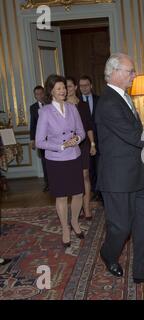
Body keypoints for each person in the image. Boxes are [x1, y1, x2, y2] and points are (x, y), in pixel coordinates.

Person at [95, 53, 144, 288]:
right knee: (121, 226)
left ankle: (142, 272)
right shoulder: (107, 102)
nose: (134, 75)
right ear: (114, 72)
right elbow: (134, 136)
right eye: (130, 71)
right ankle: (108, 253)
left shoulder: (125, 97)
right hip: (117, 178)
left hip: (138, 173)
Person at [36, 75, 86, 248]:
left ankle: (74, 221)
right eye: (58, 88)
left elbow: (82, 132)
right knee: (62, 196)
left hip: (74, 156)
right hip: (56, 159)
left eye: (63, 87)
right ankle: (65, 228)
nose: (63, 91)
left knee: (78, 193)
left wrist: (77, 139)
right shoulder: (45, 112)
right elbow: (39, 142)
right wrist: (62, 146)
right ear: (51, 91)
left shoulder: (72, 108)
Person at [66, 77, 96, 220]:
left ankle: (87, 208)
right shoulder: (62, 106)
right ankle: (76, 209)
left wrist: (92, 144)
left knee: (85, 175)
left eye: (70, 86)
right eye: (66, 87)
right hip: (68, 146)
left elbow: (89, 126)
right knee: (73, 177)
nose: (68, 89)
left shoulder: (83, 105)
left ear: (75, 87)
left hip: (83, 144)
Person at [78, 75, 100, 201]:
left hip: (98, 138)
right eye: (81, 86)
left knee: (98, 166)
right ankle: (89, 192)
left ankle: (98, 191)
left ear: (91, 86)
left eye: (86, 85)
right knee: (87, 169)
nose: (84, 88)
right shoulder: (77, 102)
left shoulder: (99, 99)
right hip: (83, 141)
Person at [29, 85, 49, 192]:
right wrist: (32, 139)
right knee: (44, 162)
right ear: (35, 96)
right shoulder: (33, 108)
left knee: (52, 161)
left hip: (52, 138)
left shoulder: (50, 104)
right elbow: (33, 125)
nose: (40, 96)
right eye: (37, 94)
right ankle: (47, 183)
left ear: (44, 93)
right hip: (40, 139)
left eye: (41, 93)